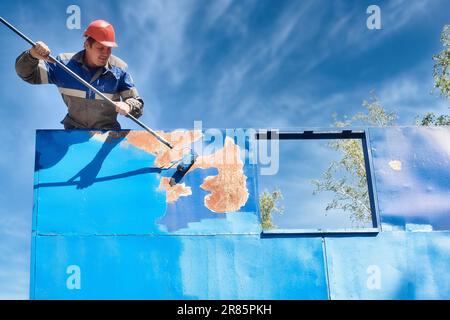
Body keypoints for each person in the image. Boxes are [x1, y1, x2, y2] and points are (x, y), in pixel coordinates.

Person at [15, 19, 143, 130]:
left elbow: (137, 102)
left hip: (108, 135)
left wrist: (128, 105)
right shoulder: (63, 65)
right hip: (74, 134)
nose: (106, 53)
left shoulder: (119, 71)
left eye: (109, 49)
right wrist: (31, 56)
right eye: (100, 48)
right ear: (87, 45)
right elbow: (29, 75)